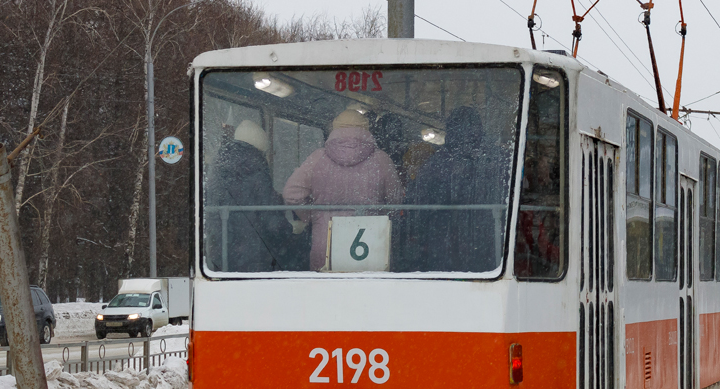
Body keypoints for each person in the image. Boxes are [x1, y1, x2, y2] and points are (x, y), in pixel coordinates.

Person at [283, 109, 403, 270]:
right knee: (370, 292)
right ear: (366, 129)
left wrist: (314, 217)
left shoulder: (318, 158)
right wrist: (380, 217)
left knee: (328, 292)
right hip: (371, 243)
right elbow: (396, 201)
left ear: (335, 129)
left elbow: (291, 194)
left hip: (326, 242)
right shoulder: (382, 160)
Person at [403, 106, 507, 272]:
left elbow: (419, 206)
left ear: (450, 129)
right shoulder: (495, 160)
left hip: (442, 240)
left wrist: (422, 237)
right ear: (479, 129)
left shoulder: (436, 163)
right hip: (484, 237)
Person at [206, 120, 296, 272]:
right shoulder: (256, 167)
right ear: (261, 146)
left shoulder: (218, 163)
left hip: (219, 250)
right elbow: (269, 218)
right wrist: (288, 231)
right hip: (251, 251)